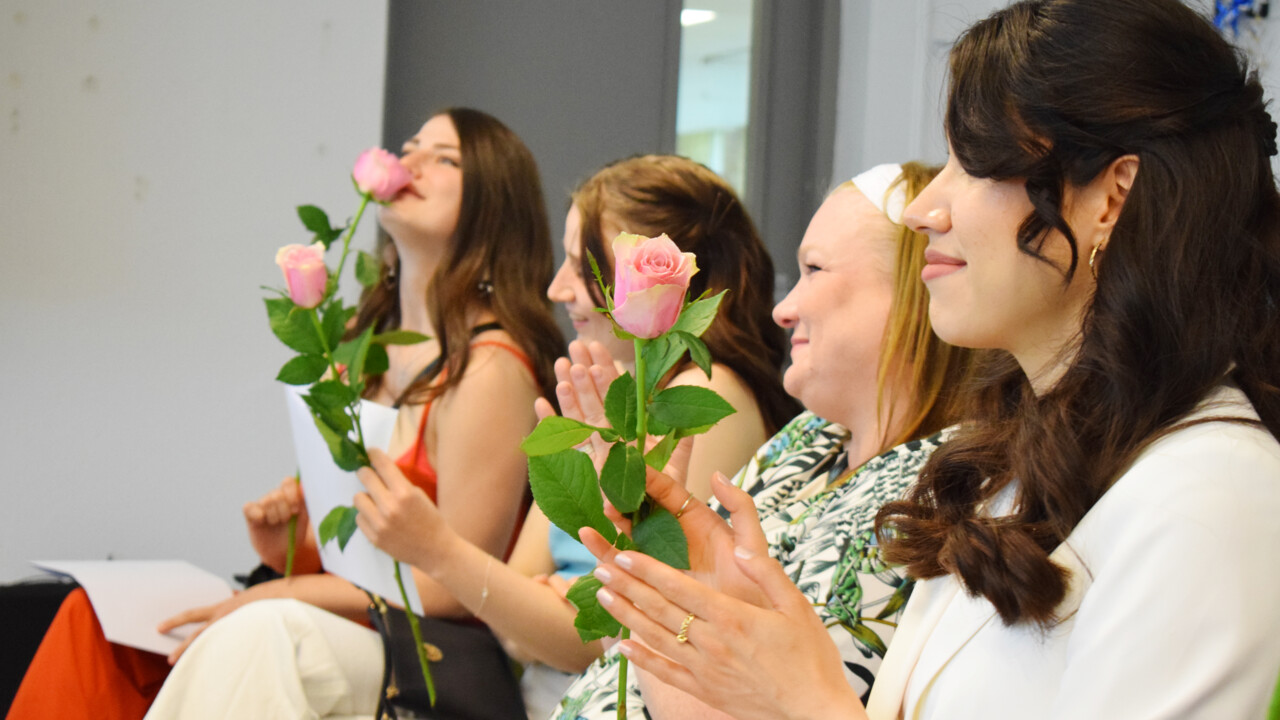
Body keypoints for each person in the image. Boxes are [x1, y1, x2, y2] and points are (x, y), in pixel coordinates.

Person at [581, 1, 1280, 718]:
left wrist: (806, 696)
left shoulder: (1207, 496)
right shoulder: (1012, 465)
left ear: (1110, 198)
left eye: (972, 162)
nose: (925, 210)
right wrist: (727, 648)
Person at [7, 107, 564, 720]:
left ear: (494, 201)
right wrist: (290, 547)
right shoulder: (357, 345)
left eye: (445, 158)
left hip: (429, 653)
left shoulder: (491, 367)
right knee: (95, 618)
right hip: (339, 613)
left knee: (263, 629)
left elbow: (453, 587)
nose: (410, 163)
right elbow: (358, 554)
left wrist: (282, 589)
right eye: (410, 147)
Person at [351, 154, 800, 719]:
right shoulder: (612, 392)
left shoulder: (716, 397)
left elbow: (615, 630)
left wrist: (441, 554)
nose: (558, 288)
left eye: (581, 264)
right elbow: (509, 612)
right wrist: (545, 609)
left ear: (666, 279)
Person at [553, 161, 976, 719]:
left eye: (815, 269)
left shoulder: (943, 490)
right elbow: (630, 656)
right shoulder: (807, 442)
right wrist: (645, 547)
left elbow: (726, 705)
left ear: (913, 289)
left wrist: (657, 581)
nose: (783, 309)